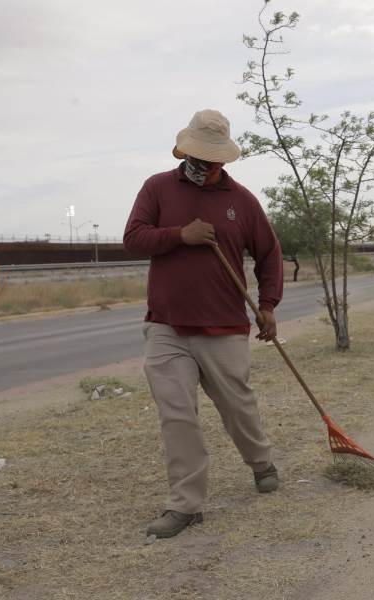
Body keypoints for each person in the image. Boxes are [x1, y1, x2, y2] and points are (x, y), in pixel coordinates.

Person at [123, 109, 284, 539]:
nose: (203, 167)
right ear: (183, 151)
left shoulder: (243, 201)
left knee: (237, 406)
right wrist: (180, 235)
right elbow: (134, 238)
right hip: (167, 328)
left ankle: (261, 462)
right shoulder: (157, 188)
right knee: (177, 416)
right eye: (197, 158)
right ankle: (186, 504)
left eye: (212, 162)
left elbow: (269, 255)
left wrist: (267, 304)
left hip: (224, 325)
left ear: (223, 162)